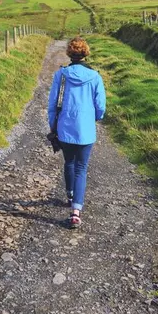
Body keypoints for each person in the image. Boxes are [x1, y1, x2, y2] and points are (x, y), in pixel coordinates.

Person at [47, 37, 106, 228]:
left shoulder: (61, 75)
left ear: (69, 53)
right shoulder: (95, 76)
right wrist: (95, 118)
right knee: (81, 167)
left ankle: (70, 194)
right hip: (86, 128)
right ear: (86, 53)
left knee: (69, 163)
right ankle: (76, 211)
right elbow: (100, 106)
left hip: (65, 127)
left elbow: (52, 104)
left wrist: (52, 125)